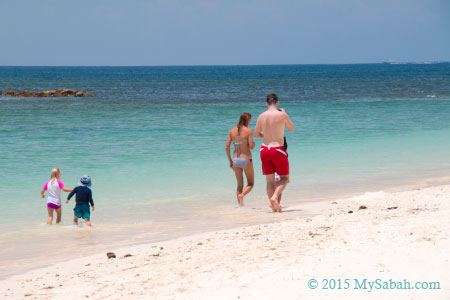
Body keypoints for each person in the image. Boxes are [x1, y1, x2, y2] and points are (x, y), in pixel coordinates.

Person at [254, 94, 294, 212]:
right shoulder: (282, 114)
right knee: (285, 178)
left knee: (270, 180)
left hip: (264, 149)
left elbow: (256, 134)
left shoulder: (261, 116)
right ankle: (275, 197)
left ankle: (273, 208)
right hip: (277, 149)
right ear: (277, 103)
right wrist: (285, 114)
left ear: (266, 103)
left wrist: (266, 135)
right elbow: (291, 128)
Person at [226, 112, 256, 207]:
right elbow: (251, 146)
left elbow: (227, 147)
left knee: (239, 185)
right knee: (251, 183)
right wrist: (253, 144)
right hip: (246, 159)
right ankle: (242, 195)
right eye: (250, 120)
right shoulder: (248, 130)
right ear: (247, 120)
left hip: (235, 159)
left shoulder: (231, 131)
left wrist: (230, 161)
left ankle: (241, 206)